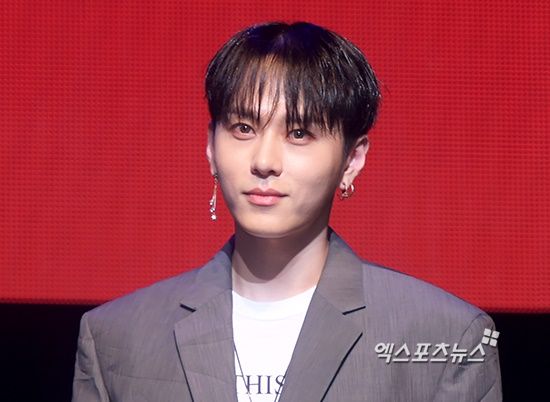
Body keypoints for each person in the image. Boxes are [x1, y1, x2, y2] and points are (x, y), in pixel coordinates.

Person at [72, 22, 502, 401]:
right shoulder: (118, 337)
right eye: (243, 128)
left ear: (352, 160)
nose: (264, 161)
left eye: (298, 133)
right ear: (211, 147)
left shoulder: (448, 338)